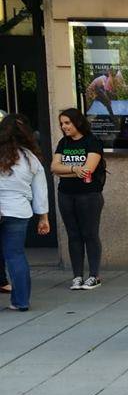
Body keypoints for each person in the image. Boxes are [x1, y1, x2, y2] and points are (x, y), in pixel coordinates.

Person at [50, 108, 105, 290]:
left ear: (77, 122)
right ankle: (77, 276)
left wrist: (66, 170)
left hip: (89, 194)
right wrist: (74, 170)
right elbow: (54, 167)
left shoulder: (92, 142)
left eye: (67, 123)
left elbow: (88, 170)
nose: (64, 127)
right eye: (62, 124)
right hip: (65, 194)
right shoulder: (63, 143)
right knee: (73, 235)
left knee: (90, 233)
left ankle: (94, 275)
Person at [0, 114, 50, 311]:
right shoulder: (31, 159)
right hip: (19, 211)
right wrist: (43, 217)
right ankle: (21, 302)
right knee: (16, 256)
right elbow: (41, 191)